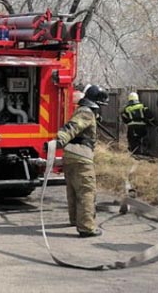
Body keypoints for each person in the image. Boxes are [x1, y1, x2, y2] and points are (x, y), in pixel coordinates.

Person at [56, 84, 109, 238]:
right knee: (86, 191)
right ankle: (86, 227)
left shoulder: (82, 110)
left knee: (73, 189)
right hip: (82, 156)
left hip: (71, 155)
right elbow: (73, 127)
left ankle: (75, 219)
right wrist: (60, 139)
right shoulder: (86, 113)